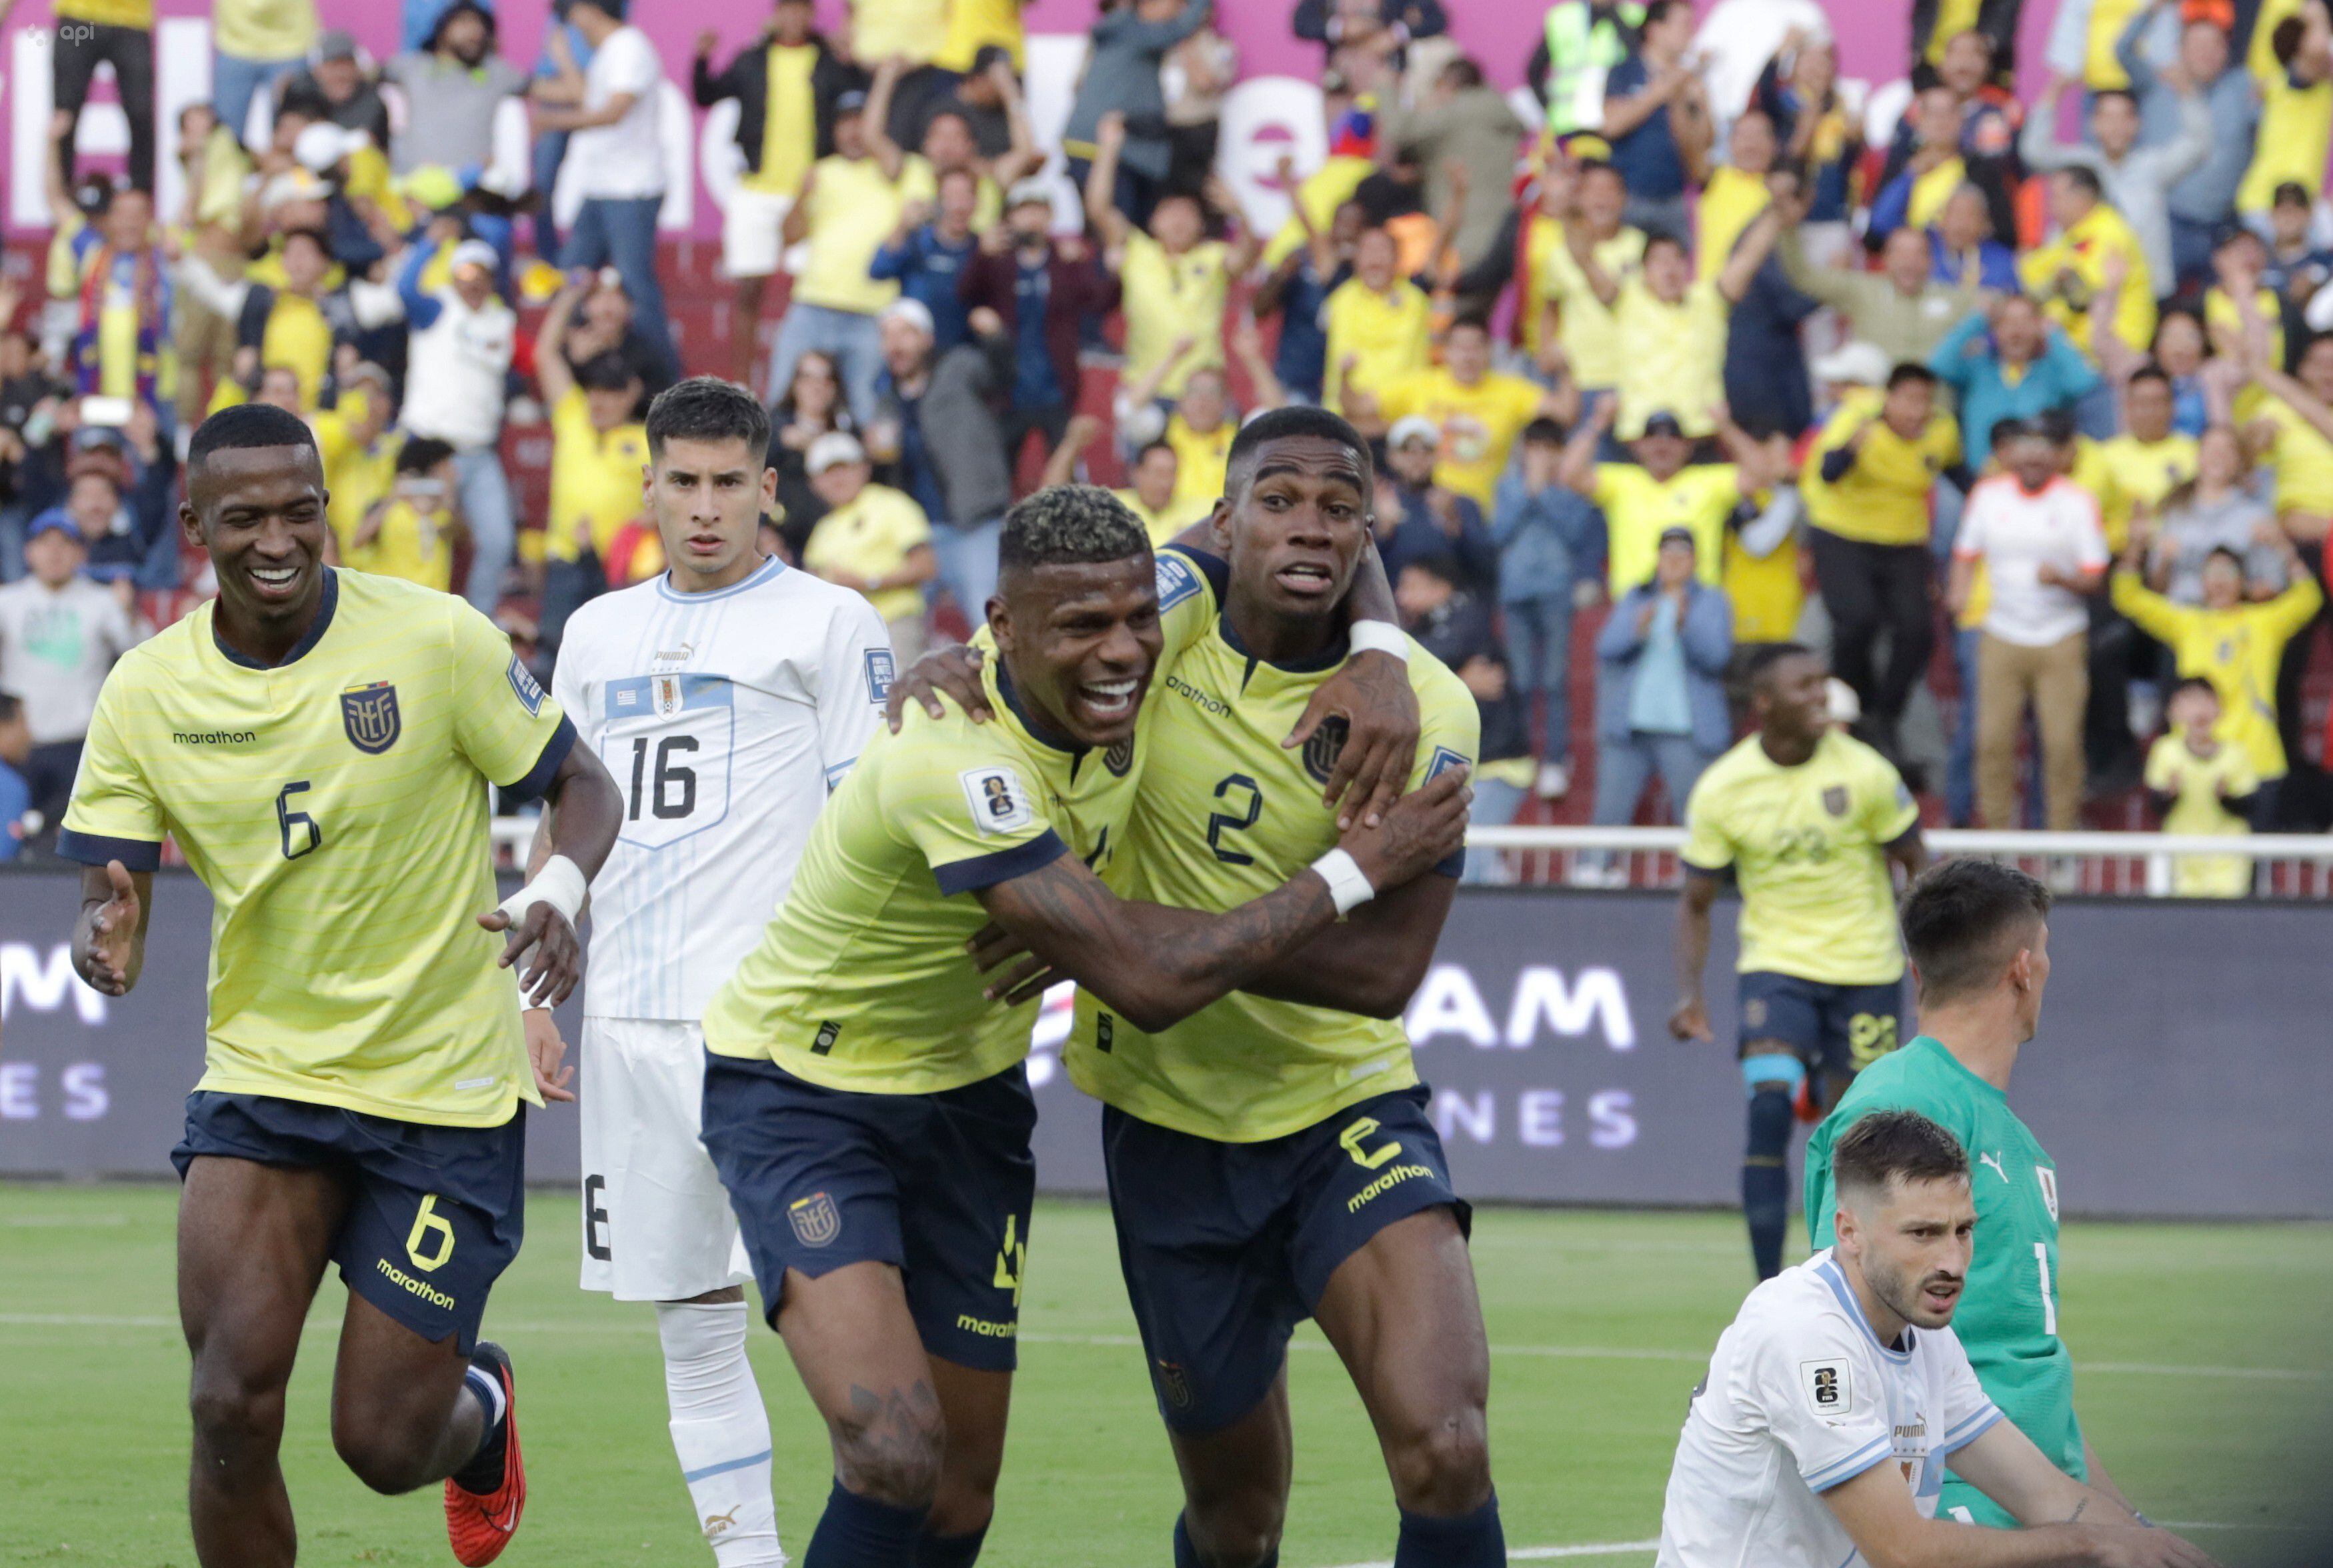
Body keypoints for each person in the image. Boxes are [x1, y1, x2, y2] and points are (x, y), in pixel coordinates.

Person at [698, 480, 1460, 1568]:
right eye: (1080, 629)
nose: (1121, 653)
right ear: (1000, 627)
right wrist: (1355, 870)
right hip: (805, 1096)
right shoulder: (952, 756)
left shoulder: (1148, 615)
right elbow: (1145, 983)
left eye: (1134, 620)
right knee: (893, 1446)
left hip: (969, 1105)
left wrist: (1379, 646)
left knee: (957, 1494)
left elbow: (1294, 505)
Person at [902, 407, 1495, 1567]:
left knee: (1444, 1444)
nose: (1305, 525)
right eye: (1275, 500)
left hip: (1344, 1109)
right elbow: (1033, 632)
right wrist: (954, 662)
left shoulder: (1424, 708)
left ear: (1368, 528)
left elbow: (1384, 973)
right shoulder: (1159, 618)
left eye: (1337, 508)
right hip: (1168, 1129)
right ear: (1223, 522)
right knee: (1236, 1520)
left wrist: (1117, 935)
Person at [58, 401, 622, 1568]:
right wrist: (108, 924)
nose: (280, 538)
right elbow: (116, 876)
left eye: (302, 509)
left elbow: (583, 785)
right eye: (248, 516)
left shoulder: (434, 638)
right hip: (266, 1077)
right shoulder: (148, 689)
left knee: (379, 1439)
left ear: (328, 508)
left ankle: (483, 1414)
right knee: (226, 1406)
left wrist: (557, 891)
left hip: (441, 1093)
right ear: (195, 525)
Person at [523, 379, 888, 1568]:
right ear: (647, 486)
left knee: (837, 1325)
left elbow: (866, 822)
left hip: (775, 1038)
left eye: (729, 482)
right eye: (681, 480)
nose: (705, 506)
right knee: (691, 1327)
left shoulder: (830, 623)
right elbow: (563, 827)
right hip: (628, 1023)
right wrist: (533, 1000)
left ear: (769, 489)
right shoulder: (595, 633)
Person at [1662, 1108, 2218, 1567]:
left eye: (1963, 1230)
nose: (1951, 1262)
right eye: (1922, 1234)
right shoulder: (1804, 1332)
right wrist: (2094, 1544)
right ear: (1848, 1231)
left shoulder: (1923, 1329)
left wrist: (2154, 1546)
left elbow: (2042, 1493)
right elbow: (1903, 1552)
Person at [1802, 862, 2154, 1533]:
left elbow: (2030, 1361)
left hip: (2043, 1503)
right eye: (2045, 954)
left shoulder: (2009, 1135)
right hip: (1964, 1511)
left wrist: (2125, 1523)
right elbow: (1844, 1328)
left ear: (1914, 977)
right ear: (2024, 970)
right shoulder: (1903, 1105)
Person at [1672, 643, 1926, 1278]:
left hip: (1865, 969)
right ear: (1764, 703)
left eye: (1824, 682)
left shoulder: (1866, 772)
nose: (1823, 696)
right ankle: (1768, 1291)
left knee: (1857, 1140)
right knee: (1766, 1108)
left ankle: (1844, 1278)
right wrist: (1689, 993)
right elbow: (1697, 901)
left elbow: (1917, 865)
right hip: (1777, 964)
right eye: (1805, 686)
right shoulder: (1724, 788)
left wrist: (1929, 960)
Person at [692, 1, 864, 383]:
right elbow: (706, 95)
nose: (792, 18)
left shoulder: (829, 62)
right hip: (757, 189)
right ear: (775, 14)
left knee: (810, 295)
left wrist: (853, 59)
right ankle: (741, 383)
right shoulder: (752, 60)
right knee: (750, 288)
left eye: (800, 9)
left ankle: (805, 385)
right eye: (786, 9)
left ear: (810, 14)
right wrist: (701, 59)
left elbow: (859, 103)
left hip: (811, 192)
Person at [1951, 423, 2111, 829]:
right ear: (2010, 457)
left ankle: (2061, 843)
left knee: (2061, 745)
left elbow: (2095, 576)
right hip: (2001, 632)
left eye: (2043, 455)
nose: (2033, 463)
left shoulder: (2077, 502)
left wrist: (2062, 579)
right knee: (1991, 742)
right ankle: (1996, 844)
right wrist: (1959, 598)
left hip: (2061, 635)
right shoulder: (1987, 496)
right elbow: (1965, 553)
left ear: (2058, 458)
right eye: (2025, 454)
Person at [2112, 519, 2321, 828]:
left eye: (2228, 573)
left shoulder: (2264, 622)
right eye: (2210, 573)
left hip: (2257, 760)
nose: (2219, 581)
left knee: (2252, 868)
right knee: (2194, 861)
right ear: (2200, 582)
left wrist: (2283, 548)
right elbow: (2127, 596)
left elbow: (2309, 597)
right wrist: (2136, 547)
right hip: (2195, 761)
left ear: (2244, 581)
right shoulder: (2186, 622)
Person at [1803, 362, 1964, 757]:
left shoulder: (1942, 430)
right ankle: (1851, 707)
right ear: (1888, 399)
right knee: (1856, 620)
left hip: (1904, 539)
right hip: (1843, 532)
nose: (1916, 412)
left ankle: (1883, 714)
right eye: (1908, 400)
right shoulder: (1858, 417)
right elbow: (1827, 472)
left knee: (1919, 631)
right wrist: (1851, 450)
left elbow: (1961, 475)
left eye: (1924, 401)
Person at [767, 90, 936, 422]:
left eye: (861, 122)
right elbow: (789, 237)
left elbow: (919, 219)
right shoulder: (823, 171)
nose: (853, 131)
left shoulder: (907, 168)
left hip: (873, 314)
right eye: (844, 123)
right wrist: (802, 194)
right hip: (813, 304)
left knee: (867, 413)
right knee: (780, 401)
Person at [535, 0, 679, 387]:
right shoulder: (608, 54)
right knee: (571, 278)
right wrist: (564, 59)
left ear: (588, 10)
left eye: (572, 14)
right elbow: (588, 99)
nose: (572, 23)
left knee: (636, 287)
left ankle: (665, 386)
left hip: (631, 190)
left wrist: (553, 120)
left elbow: (615, 111)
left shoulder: (630, 47)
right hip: (601, 190)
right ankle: (564, 375)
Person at [1084, 111, 1260, 412]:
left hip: (1205, 392)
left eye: (1189, 213)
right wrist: (1110, 148)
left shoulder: (1213, 256)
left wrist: (1240, 212)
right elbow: (1099, 208)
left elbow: (1247, 256)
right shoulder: (1137, 251)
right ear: (1153, 222)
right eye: (1171, 212)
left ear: (1202, 225)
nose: (1179, 220)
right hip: (1146, 388)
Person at [867, 300, 1013, 626]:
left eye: (906, 333)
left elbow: (1003, 376)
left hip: (973, 525)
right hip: (916, 536)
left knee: (990, 627)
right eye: (887, 336)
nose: (896, 344)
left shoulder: (958, 368)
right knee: (899, 632)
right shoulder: (885, 400)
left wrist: (995, 338)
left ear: (928, 339)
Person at [391, 235, 516, 614]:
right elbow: (403, 287)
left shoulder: (501, 320)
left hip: (478, 452)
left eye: (483, 274)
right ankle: (413, 620)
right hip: (429, 447)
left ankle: (480, 623)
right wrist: (430, 240)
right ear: (452, 277)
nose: (474, 282)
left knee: (498, 540)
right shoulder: (437, 308)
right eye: (465, 272)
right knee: (422, 536)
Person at [961, 179, 1121, 473]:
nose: (1032, 219)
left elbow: (1098, 303)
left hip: (1056, 388)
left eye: (1039, 211)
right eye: (1024, 211)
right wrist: (980, 255)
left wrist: (1111, 272)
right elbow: (964, 295)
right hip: (1009, 388)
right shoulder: (997, 259)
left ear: (1050, 217)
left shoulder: (1065, 260)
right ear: (1009, 217)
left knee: (1064, 476)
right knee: (998, 473)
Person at [0, 510, 140, 833]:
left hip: (80, 745)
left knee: (71, 843)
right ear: (28, 552)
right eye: (44, 543)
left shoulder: (102, 601)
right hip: (20, 747)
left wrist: (128, 611)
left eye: (65, 543)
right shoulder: (7, 602)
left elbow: (138, 652)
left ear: (81, 553)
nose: (54, 552)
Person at [1400, 550, 1532, 883]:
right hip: (1471, 763)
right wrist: (1462, 681)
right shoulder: (1427, 624)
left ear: (1440, 588)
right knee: (1472, 855)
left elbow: (1415, 660)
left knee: (1469, 852)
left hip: (1498, 761)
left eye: (1410, 586)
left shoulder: (1467, 617)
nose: (1400, 595)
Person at [2020, 75, 2210, 300]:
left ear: (2137, 123)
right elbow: (2034, 152)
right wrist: (2054, 91)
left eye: (2124, 118)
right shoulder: (2081, 163)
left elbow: (2198, 145)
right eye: (2108, 117)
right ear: (2093, 123)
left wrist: (2186, 91)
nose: (2116, 127)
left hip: (2146, 291)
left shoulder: (2153, 167)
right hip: (2087, 292)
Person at [1593, 527, 1734, 828]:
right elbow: (1607, 649)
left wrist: (1686, 625)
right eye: (1667, 554)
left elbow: (1716, 659)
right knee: (1608, 815)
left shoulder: (1712, 601)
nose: (1674, 562)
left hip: (1686, 730)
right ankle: (1596, 871)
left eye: (1682, 555)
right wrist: (1638, 629)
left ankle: (1697, 875)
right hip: (1629, 729)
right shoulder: (1636, 596)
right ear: (1657, 559)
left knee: (1696, 816)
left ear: (1695, 561)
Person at [1491, 417, 1602, 801]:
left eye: (1548, 448)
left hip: (1556, 592)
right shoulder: (1506, 487)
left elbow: (1575, 534)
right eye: (1533, 447)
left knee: (1555, 679)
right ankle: (1523, 755)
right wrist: (1527, 493)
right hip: (1515, 592)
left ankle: (1556, 758)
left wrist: (1544, 493)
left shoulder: (1572, 490)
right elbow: (1498, 533)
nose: (1539, 456)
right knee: (1520, 679)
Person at [1360, 317, 1573, 510]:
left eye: (1476, 348)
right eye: (1461, 348)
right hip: (1427, 510)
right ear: (1446, 351)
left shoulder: (1511, 391)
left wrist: (1565, 370)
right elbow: (1356, 410)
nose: (1468, 357)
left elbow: (1564, 414)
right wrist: (1344, 376)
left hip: (1484, 514)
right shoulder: (1421, 385)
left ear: (1490, 350)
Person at [2116, 4, 2255, 293]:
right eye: (2198, 44)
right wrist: (2152, 10)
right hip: (2168, 223)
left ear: (2227, 51)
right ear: (2180, 49)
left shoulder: (2242, 86)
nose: (2207, 52)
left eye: (2215, 44)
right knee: (2162, 301)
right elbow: (2123, 50)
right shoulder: (2158, 83)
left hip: (2223, 226)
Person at [1059, 0, 1216, 228]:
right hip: (1098, 147)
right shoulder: (1129, 27)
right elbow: (1181, 28)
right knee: (1114, 231)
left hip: (1117, 149)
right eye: (1176, 3)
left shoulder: (1130, 34)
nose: (1179, 10)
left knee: (1125, 235)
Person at [803, 429, 939, 660]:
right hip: (844, 637)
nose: (838, 479)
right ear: (815, 483)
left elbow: (927, 566)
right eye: (828, 473)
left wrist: (868, 582)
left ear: (864, 468)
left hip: (894, 625)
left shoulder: (891, 504)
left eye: (844, 468)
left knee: (900, 695)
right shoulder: (822, 529)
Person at [1930, 297, 2104, 471]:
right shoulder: (1978, 368)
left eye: (2026, 322)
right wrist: (1978, 319)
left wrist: (2052, 332)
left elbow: (2085, 382)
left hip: (2035, 480)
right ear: (1995, 330)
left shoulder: (2051, 372)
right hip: (1979, 480)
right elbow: (1939, 364)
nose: (2016, 331)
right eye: (2007, 322)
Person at [1598, 0, 1712, 239]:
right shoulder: (1625, 71)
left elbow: (1704, 143)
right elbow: (1612, 125)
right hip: (1630, 199)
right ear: (1655, 29)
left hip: (1674, 201)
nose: (1690, 33)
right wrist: (1660, 91)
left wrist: (1698, 104)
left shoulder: (1690, 81)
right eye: (1683, 25)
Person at [2143, 677, 2259, 896]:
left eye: (2205, 700)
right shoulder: (2166, 751)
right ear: (2174, 711)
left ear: (2219, 709)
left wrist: (2225, 798)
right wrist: (2171, 794)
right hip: (2182, 860)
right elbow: (2156, 805)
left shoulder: (2236, 754)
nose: (2199, 710)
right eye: (2190, 701)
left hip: (2228, 860)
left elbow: (2250, 806)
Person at [383, 3, 527, 175]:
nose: (475, 32)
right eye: (465, 22)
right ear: (442, 30)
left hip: (471, 190)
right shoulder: (413, 66)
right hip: (412, 188)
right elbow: (361, 75)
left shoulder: (497, 72)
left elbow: (546, 90)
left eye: (481, 26)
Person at [1322, 226, 1434, 416]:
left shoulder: (1417, 298)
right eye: (1367, 250)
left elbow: (1439, 250)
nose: (1375, 257)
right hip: (1344, 415)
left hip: (1403, 417)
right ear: (1355, 258)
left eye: (1383, 250)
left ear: (1399, 258)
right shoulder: (1339, 298)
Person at [53, 0, 155, 194]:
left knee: (141, 115)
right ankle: (62, 203)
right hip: (78, 15)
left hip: (132, 20)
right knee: (64, 117)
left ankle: (139, 201)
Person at [350, 435, 463, 593]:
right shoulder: (391, 509)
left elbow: (462, 535)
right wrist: (394, 497)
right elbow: (358, 540)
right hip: (391, 599)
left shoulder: (444, 514)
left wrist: (447, 501)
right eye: (446, 467)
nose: (454, 473)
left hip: (430, 602)